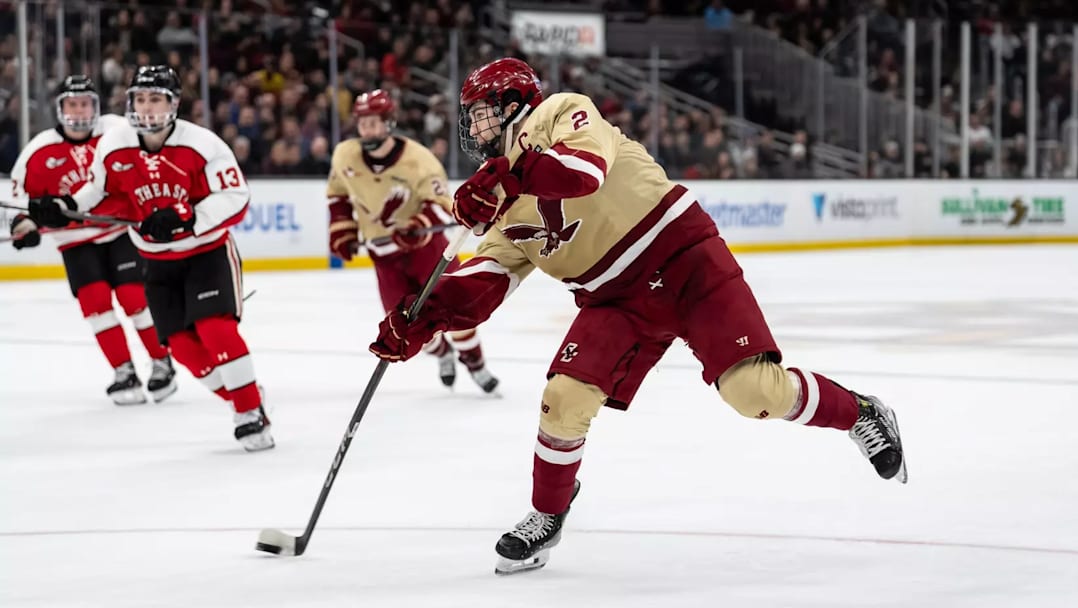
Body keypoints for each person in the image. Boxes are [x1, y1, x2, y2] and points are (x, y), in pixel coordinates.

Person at [369, 58, 908, 574]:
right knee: (565, 399)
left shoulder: (560, 112)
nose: (473, 125)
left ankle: (861, 413)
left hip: (683, 258)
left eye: (481, 111)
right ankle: (548, 514)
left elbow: (582, 174)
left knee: (755, 393)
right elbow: (486, 281)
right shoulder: (498, 202)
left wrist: (510, 177)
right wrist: (422, 315)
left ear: (514, 104)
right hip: (615, 300)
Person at [27, 66, 273, 452]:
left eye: (155, 98)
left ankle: (249, 414)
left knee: (215, 330)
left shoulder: (203, 144)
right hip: (156, 263)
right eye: (140, 98)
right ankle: (246, 399)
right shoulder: (114, 143)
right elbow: (97, 189)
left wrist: (188, 217)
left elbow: (236, 198)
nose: (146, 106)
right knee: (185, 349)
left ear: (174, 103)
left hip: (207, 254)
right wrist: (65, 207)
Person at [10, 75, 177, 405]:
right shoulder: (39, 150)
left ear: (96, 106)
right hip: (75, 241)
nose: (79, 109)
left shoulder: (116, 132)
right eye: (72, 103)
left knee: (134, 298)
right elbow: (20, 203)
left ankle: (161, 360)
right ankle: (123, 370)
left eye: (85, 102)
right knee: (96, 303)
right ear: (60, 108)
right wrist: (24, 226)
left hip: (119, 231)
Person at [328, 89, 499, 393]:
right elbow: (338, 193)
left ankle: (474, 362)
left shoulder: (419, 159)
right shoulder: (345, 154)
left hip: (426, 251)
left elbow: (439, 202)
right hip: (383, 257)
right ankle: (442, 353)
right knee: (401, 324)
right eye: (362, 122)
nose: (367, 129)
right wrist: (342, 229)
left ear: (389, 122)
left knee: (454, 310)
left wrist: (417, 225)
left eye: (374, 122)